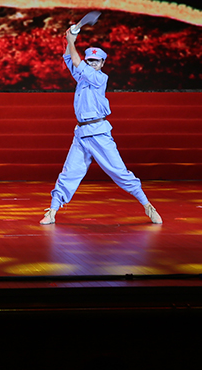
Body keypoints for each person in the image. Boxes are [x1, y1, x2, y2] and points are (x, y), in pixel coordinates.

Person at [40, 24, 162, 225]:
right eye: (90, 60)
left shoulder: (99, 78)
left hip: (98, 133)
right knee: (69, 173)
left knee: (120, 173)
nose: (92, 64)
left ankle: (148, 206)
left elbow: (76, 61)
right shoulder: (81, 76)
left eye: (96, 61)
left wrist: (71, 41)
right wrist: (69, 38)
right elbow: (70, 58)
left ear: (102, 63)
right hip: (81, 134)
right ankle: (52, 211)